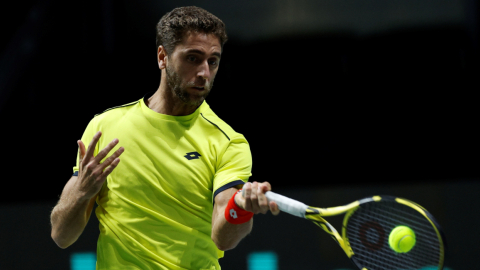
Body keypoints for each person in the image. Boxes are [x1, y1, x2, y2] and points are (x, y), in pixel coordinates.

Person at [50, 6, 279, 270]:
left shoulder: (228, 142)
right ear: (163, 57)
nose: (204, 73)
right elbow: (61, 235)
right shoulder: (105, 128)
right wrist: (81, 192)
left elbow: (223, 238)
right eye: (193, 58)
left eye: (213, 61)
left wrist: (241, 206)